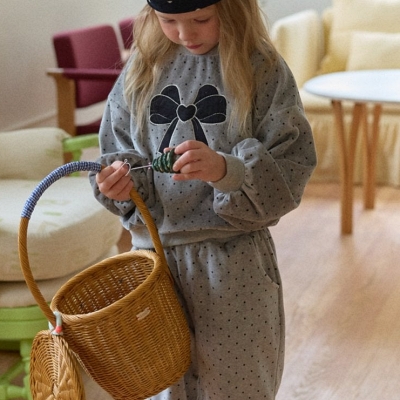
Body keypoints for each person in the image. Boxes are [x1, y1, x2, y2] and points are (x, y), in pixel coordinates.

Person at [89, 0, 317, 398]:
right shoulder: (142, 68)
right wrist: (117, 186)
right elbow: (118, 151)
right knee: (162, 386)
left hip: (231, 263)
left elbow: (291, 162)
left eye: (201, 19)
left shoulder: (261, 68)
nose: (185, 33)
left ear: (232, 9)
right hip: (154, 264)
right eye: (168, 21)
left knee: (238, 383)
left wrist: (226, 170)